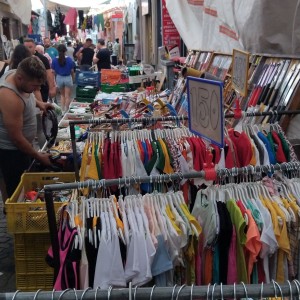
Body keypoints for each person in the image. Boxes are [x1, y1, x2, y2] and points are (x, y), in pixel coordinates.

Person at [0, 56, 53, 199]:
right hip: (12, 152)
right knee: (17, 191)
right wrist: (38, 155)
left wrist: (39, 103)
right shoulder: (9, 96)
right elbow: (16, 138)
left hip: (22, 148)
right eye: (34, 86)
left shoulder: (18, 76)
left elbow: (26, 95)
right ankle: (16, 219)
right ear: (20, 78)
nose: (37, 89)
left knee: (26, 186)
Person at [24, 38, 56, 102]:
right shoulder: (22, 58)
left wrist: (52, 88)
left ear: (35, 47)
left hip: (42, 89)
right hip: (26, 91)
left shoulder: (43, 58)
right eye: (26, 47)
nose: (28, 49)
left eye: (30, 47)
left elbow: (49, 74)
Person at [51, 44, 75, 113]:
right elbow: (72, 71)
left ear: (58, 50)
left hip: (59, 78)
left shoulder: (54, 60)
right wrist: (73, 79)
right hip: (67, 77)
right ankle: (66, 110)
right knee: (67, 96)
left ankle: (62, 110)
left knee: (62, 95)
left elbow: (53, 71)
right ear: (65, 51)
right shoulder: (69, 59)